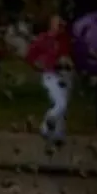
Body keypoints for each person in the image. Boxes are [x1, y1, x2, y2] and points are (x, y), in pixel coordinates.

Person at [27, 15, 73, 143]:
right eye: (58, 25)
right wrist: (37, 65)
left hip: (65, 74)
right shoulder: (44, 39)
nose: (61, 27)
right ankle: (46, 126)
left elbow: (69, 54)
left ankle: (58, 134)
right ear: (52, 25)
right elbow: (30, 55)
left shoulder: (65, 39)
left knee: (63, 105)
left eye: (62, 25)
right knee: (60, 103)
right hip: (51, 74)